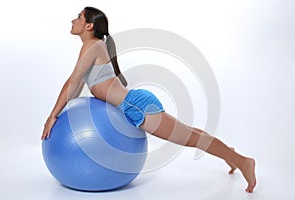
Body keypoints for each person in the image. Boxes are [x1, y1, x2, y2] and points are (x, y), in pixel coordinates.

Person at [41, 6, 257, 193]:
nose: (73, 20)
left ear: (89, 26)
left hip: (136, 106)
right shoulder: (95, 46)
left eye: (79, 17)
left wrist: (52, 116)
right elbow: (76, 86)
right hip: (134, 103)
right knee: (190, 133)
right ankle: (230, 154)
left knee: (189, 138)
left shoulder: (92, 46)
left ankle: (244, 162)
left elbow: (73, 82)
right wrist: (56, 112)